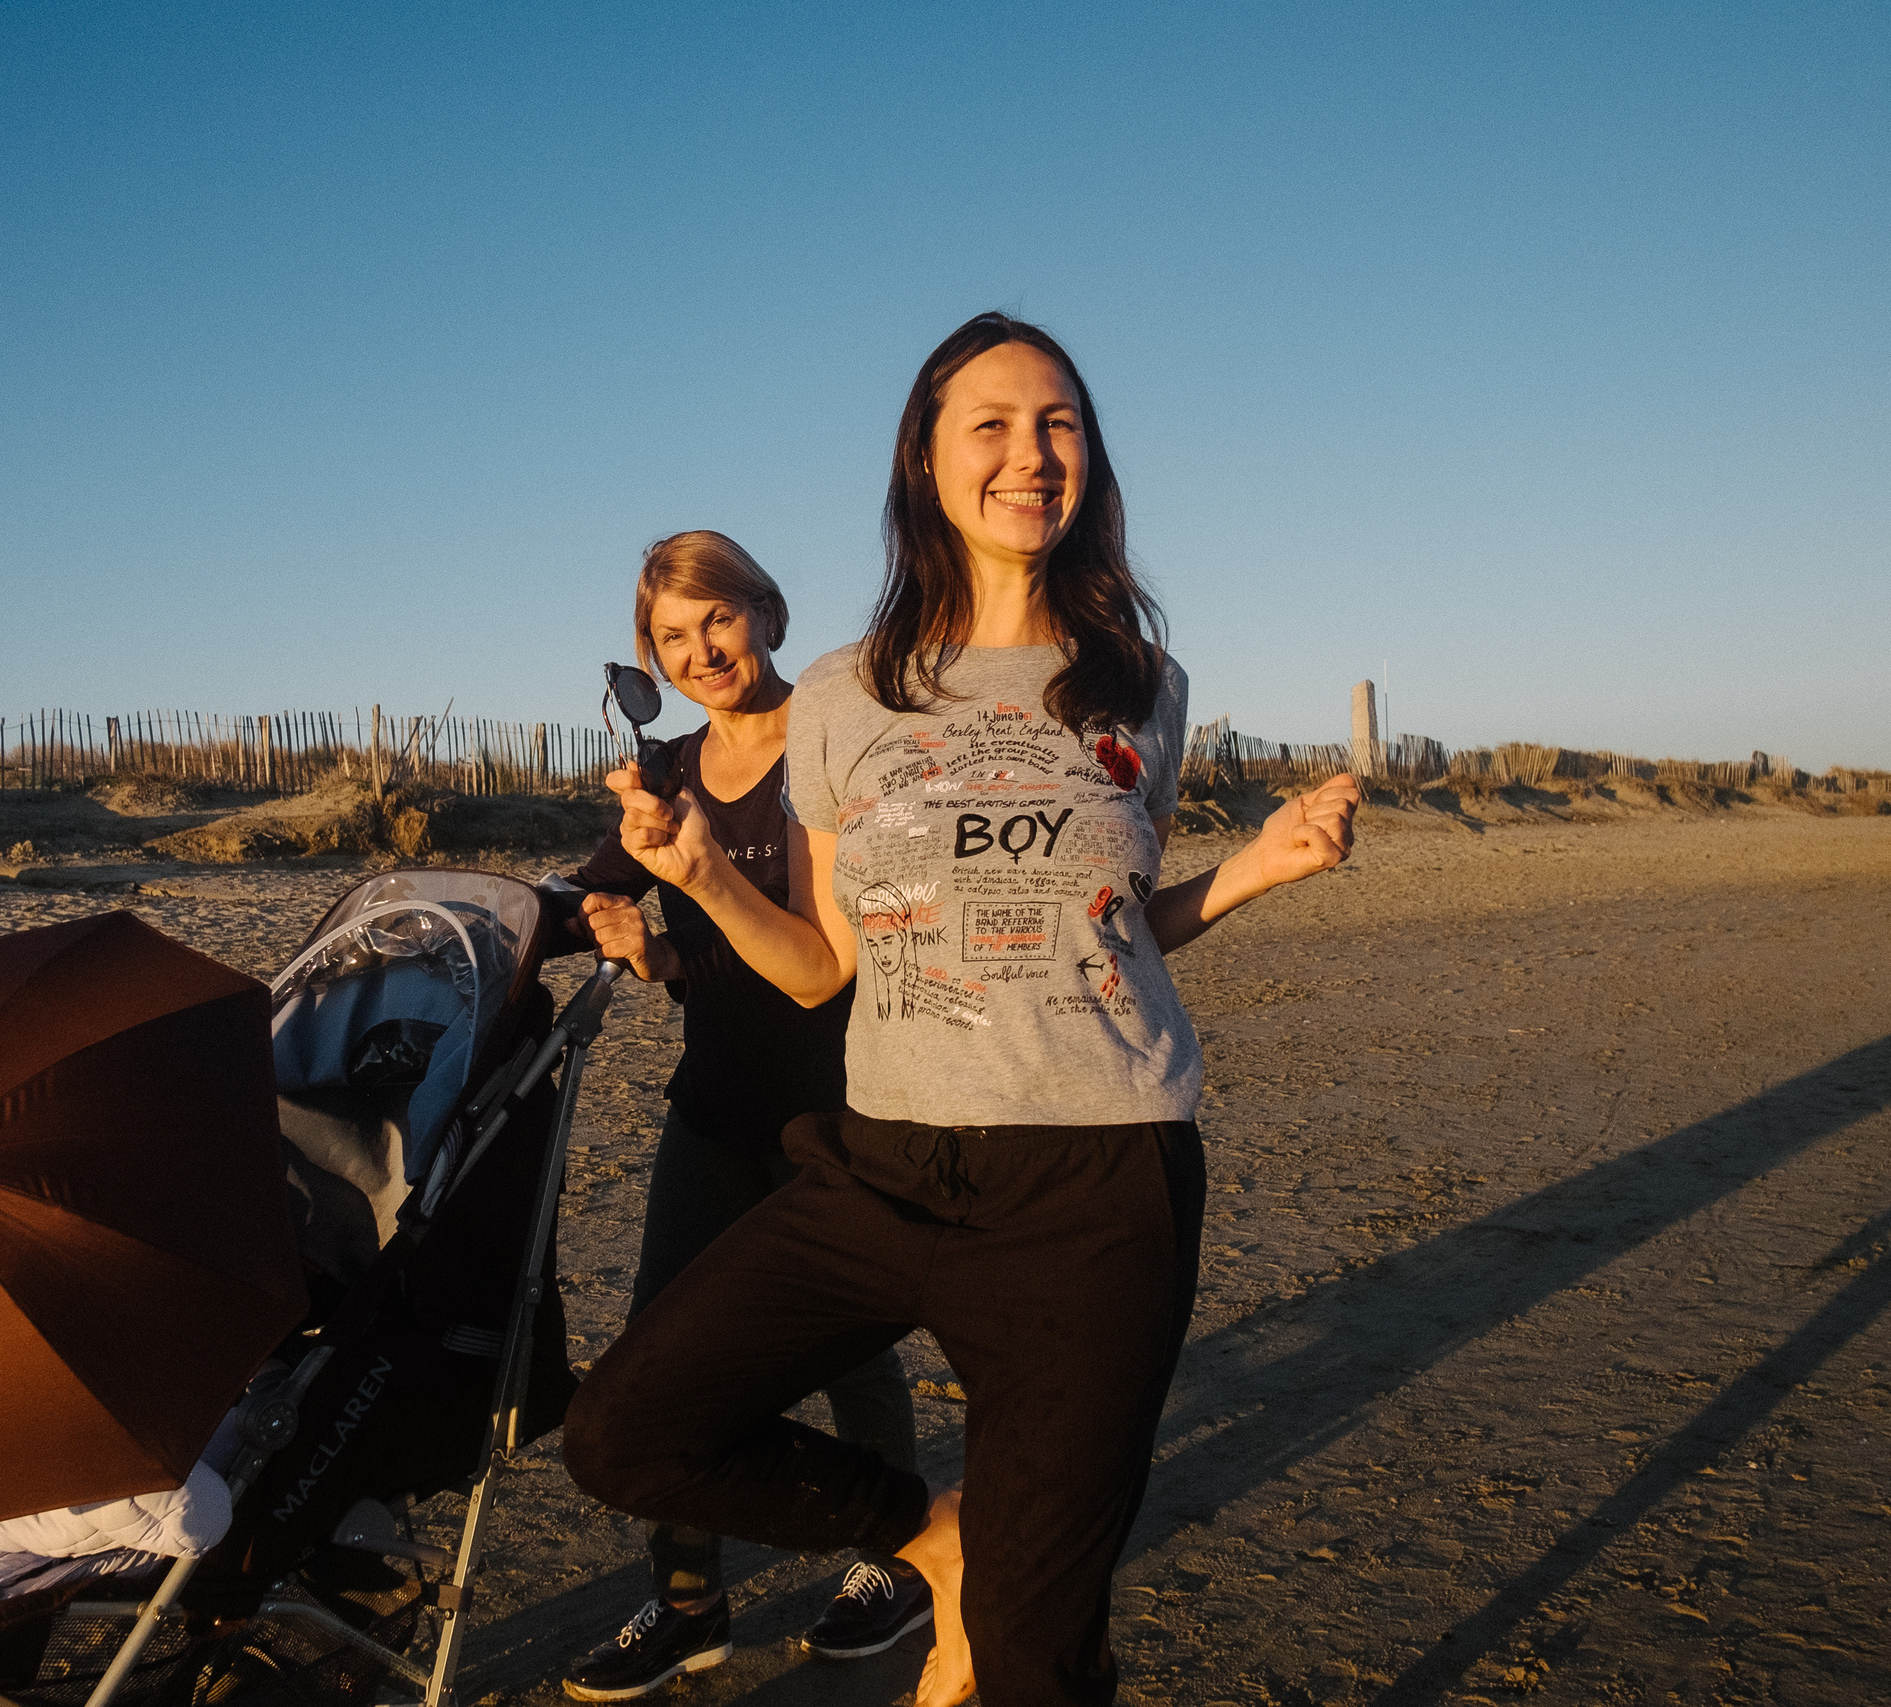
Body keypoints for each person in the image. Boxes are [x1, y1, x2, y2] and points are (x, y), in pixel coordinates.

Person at [566, 313, 1361, 1707]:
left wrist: (1252, 871)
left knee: (1036, 1655)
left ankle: (988, 1592)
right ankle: (926, 1535)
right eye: (989, 423)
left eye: (1059, 421)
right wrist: (695, 872)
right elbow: (820, 967)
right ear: (926, 463)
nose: (1029, 452)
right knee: (626, 1427)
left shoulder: (1144, 688)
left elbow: (1114, 925)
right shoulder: (842, 696)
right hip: (886, 1161)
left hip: (1100, 1183)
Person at [559, 531, 932, 1701]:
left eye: (715, 619)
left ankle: (899, 1562)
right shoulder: (663, 769)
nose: (698, 650)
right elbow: (592, 893)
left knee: (857, 1356)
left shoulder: (831, 746)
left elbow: (829, 961)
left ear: (765, 613)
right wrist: (613, 930)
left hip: (840, 1109)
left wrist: (676, 942)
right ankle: (686, 1600)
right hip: (715, 1108)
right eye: (670, 638)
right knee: (662, 1353)